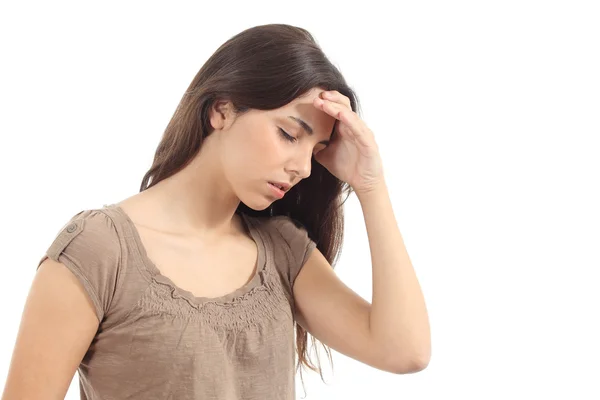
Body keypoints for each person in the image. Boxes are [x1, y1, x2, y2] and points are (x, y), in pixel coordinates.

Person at [2, 23, 430, 400]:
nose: (302, 167)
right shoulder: (100, 251)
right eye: (287, 134)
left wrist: (371, 186)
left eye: (315, 150)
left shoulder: (282, 252)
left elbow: (405, 351)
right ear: (221, 110)